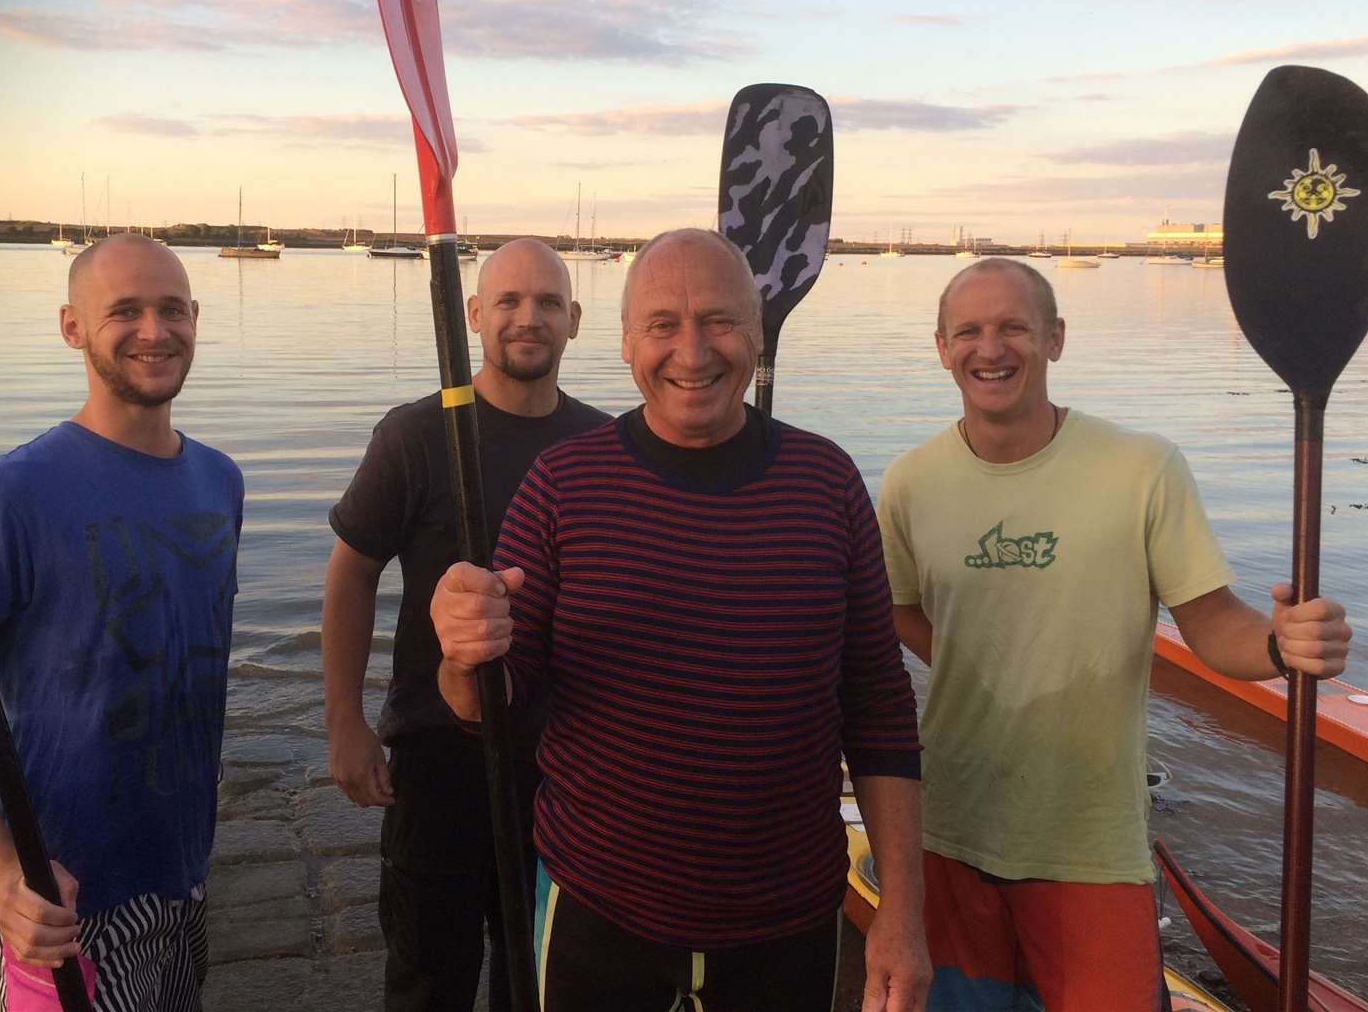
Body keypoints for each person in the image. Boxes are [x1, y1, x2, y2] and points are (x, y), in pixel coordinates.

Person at [430, 228, 931, 1012]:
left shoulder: (824, 482)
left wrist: (900, 912)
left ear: (757, 332)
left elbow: (877, 707)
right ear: (626, 341)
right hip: (597, 911)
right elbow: (496, 706)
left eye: (720, 321)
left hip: (786, 919)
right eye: (662, 324)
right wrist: (464, 655)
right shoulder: (562, 483)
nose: (691, 353)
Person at [876, 257, 1353, 1011]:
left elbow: (1211, 623)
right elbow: (895, 607)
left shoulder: (1140, 468)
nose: (989, 349)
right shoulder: (908, 484)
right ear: (941, 347)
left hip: (1090, 842)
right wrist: (988, 666)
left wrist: (1277, 645)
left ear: (1055, 339)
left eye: (1013, 329)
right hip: (951, 830)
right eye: (967, 331)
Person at [0, 233, 243, 1011]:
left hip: (185, 874)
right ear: (72, 327)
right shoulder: (6, 499)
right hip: (66, 902)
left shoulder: (220, 479)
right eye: (125, 311)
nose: (154, 331)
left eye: (172, 309)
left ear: (195, 318)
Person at [322, 238, 608, 1012]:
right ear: (474, 314)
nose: (528, 318)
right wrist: (345, 722)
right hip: (436, 756)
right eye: (509, 301)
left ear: (574, 320)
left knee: (541, 977)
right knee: (427, 977)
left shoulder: (605, 448)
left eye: (548, 302)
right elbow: (352, 569)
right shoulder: (417, 435)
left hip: (564, 763)